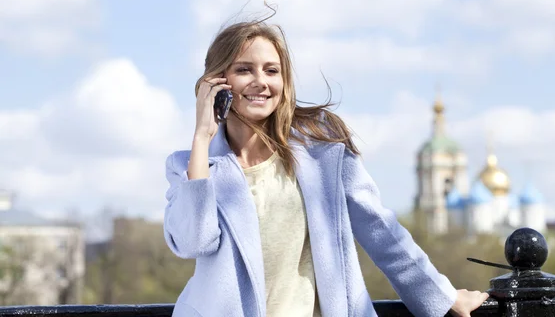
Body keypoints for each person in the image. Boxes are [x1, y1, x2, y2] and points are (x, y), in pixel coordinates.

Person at [163, 20, 489, 317]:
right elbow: (194, 242)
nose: (260, 81)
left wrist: (441, 296)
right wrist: (201, 137)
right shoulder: (192, 166)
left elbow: (381, 229)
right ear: (216, 81)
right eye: (245, 69)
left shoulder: (323, 150)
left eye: (272, 70)